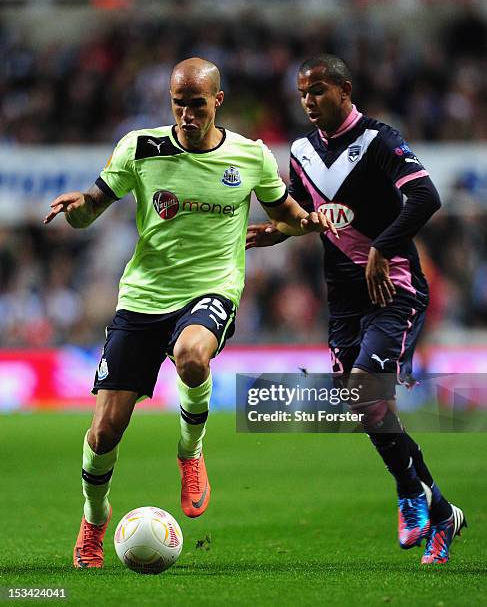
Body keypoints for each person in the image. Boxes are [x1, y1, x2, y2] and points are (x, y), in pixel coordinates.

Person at [44, 57, 334, 569]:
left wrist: (313, 221)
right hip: (142, 297)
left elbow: (288, 218)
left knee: (192, 356)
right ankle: (93, 520)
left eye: (196, 104)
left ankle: (190, 450)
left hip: (212, 289)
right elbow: (93, 207)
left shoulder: (250, 157)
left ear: (217, 101)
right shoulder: (140, 147)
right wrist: (78, 211)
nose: (186, 114)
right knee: (103, 433)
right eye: (178, 104)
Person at [246, 54, 466, 565]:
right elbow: (308, 219)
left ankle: (411, 494)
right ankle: (441, 511)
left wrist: (383, 247)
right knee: (364, 406)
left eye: (318, 91)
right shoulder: (301, 152)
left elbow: (426, 198)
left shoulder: (381, 141)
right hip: (344, 300)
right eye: (302, 94)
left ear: (344, 90)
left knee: (367, 392)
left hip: (394, 289)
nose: (308, 101)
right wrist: (277, 232)